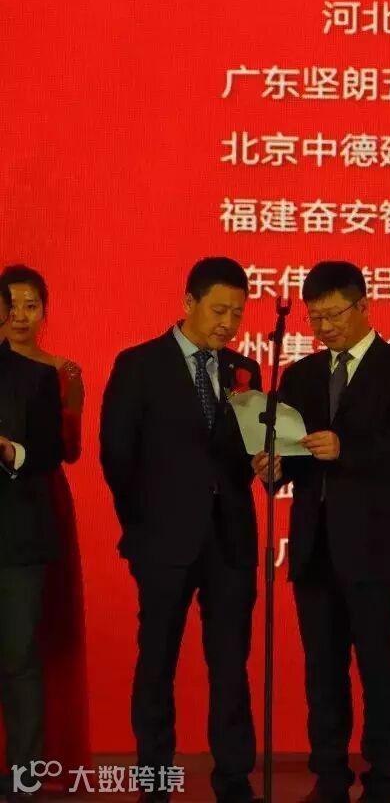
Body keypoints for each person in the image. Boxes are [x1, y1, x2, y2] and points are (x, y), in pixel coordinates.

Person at [252, 261, 390, 803]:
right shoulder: (300, 375)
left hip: (376, 544)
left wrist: (345, 448)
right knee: (322, 670)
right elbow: (294, 452)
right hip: (315, 544)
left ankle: (383, 778)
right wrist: (274, 468)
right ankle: (329, 775)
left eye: (334, 314)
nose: (325, 326)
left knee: (379, 665)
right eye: (316, 317)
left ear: (363, 306)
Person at [99, 257, 262, 803]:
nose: (228, 323)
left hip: (231, 540)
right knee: (157, 662)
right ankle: (154, 779)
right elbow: (117, 456)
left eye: (237, 313)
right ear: (188, 302)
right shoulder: (139, 365)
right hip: (162, 540)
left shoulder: (245, 371)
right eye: (218, 310)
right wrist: (142, 526)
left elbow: (242, 454)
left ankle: (234, 779)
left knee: (231, 665)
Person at [0, 265, 91, 787]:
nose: (19, 316)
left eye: (30, 305)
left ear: (45, 312)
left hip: (35, 509)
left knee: (26, 647)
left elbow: (67, 449)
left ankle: (28, 773)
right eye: (10, 305)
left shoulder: (58, 373)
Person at [0, 281, 63, 803]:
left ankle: (25, 776)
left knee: (17, 658)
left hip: (15, 537)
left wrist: (10, 451)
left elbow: (47, 453)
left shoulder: (36, 377)